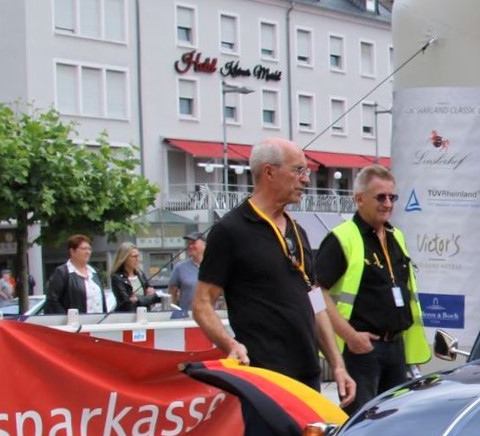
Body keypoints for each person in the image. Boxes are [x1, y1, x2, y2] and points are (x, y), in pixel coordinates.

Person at [193, 138, 354, 404]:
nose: (305, 179)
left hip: (308, 374)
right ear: (269, 172)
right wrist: (230, 345)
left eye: (307, 172)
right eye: (298, 170)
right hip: (265, 375)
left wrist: (337, 364)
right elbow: (201, 303)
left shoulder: (298, 231)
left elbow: (315, 302)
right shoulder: (230, 230)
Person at [315, 165, 431, 414]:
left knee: (395, 423)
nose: (387, 204)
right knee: (363, 425)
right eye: (380, 197)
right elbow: (314, 293)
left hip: (396, 347)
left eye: (392, 197)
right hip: (361, 351)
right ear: (359, 199)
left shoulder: (395, 236)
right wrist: (349, 336)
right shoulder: (342, 238)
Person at [44, 234, 109, 316]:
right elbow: (52, 301)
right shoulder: (62, 272)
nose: (88, 252)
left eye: (89, 249)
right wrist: (68, 319)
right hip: (74, 324)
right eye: (83, 249)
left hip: (97, 324)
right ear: (72, 252)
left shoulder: (94, 272)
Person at [109, 243, 163, 313]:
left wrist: (137, 299)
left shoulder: (140, 274)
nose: (137, 259)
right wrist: (146, 298)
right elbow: (126, 303)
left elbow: (154, 297)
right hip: (127, 316)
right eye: (134, 256)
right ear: (124, 258)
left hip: (144, 314)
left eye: (138, 256)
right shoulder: (117, 277)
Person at [166, 231, 205, 318]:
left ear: (204, 245)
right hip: (187, 318)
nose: (190, 246)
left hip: (211, 316)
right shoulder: (180, 267)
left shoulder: (215, 266)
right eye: (188, 244)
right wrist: (175, 312)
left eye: (193, 243)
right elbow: (172, 292)